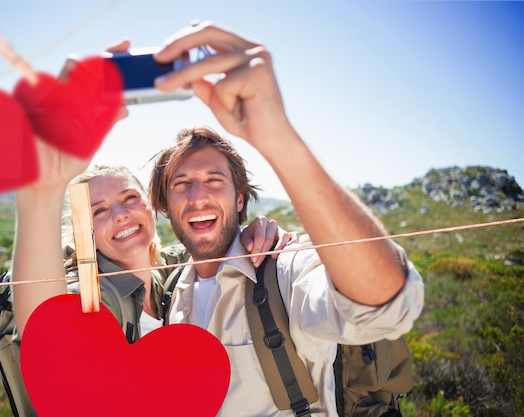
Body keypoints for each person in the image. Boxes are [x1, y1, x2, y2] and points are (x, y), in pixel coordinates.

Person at [145, 22, 425, 416]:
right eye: (181, 184)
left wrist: (277, 136)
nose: (198, 196)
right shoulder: (171, 289)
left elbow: (383, 309)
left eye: (214, 180)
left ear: (240, 198)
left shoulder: (284, 269)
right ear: (165, 204)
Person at [10, 142, 296, 340]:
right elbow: (45, 330)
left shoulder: (174, 269)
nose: (121, 215)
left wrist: (252, 232)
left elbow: (214, 246)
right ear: (84, 230)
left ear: (152, 206)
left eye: (129, 198)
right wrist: (37, 195)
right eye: (99, 210)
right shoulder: (92, 297)